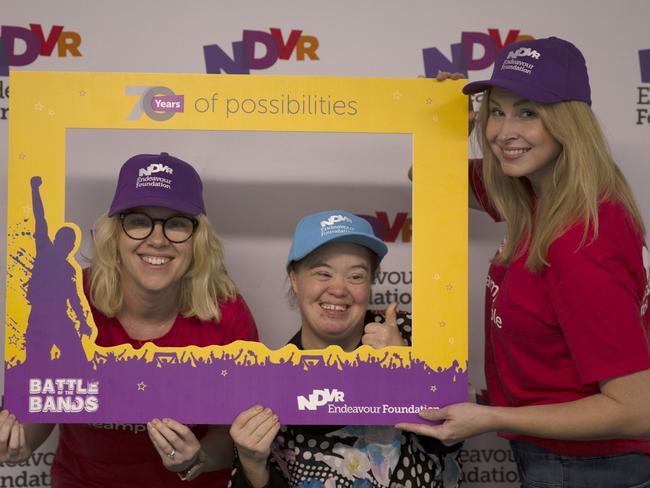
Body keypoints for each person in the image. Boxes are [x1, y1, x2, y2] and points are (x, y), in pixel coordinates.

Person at [398, 37, 650, 487]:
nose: (504, 131)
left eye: (528, 112)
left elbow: (636, 410)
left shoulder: (581, 242)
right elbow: (425, 172)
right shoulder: (533, 191)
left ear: (567, 122)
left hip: (592, 469)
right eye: (497, 110)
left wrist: (489, 416)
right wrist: (443, 114)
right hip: (556, 461)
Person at [0, 152, 259, 487]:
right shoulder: (68, 298)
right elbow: (47, 402)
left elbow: (232, 436)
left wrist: (198, 458)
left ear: (198, 240)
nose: (157, 238)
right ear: (114, 234)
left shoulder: (225, 311)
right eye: (138, 221)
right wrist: (18, 443)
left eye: (177, 223)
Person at [228, 210, 462, 488]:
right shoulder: (273, 382)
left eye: (356, 276)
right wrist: (252, 463)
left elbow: (451, 442)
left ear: (371, 281)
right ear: (294, 278)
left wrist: (407, 372)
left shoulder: (411, 337)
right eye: (323, 273)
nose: (338, 289)